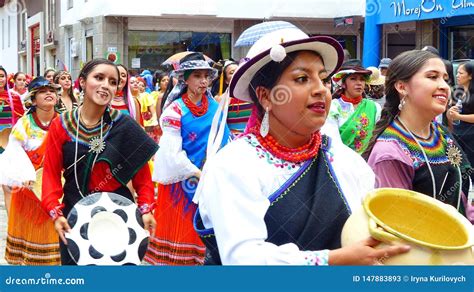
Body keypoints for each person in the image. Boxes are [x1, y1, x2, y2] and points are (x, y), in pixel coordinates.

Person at [193, 28, 410, 265]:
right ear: (266, 97)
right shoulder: (234, 165)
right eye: (302, 79)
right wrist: (333, 260)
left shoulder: (346, 161)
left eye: (324, 79)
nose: (321, 90)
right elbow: (243, 259)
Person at [41, 59, 158, 265]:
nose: (106, 85)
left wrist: (146, 208)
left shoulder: (124, 125)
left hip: (118, 217)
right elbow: (50, 174)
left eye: (113, 82)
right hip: (74, 217)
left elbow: (142, 176)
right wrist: (55, 213)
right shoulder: (61, 124)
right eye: (99, 78)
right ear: (83, 82)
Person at [365, 50, 472, 221]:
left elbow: (461, 197)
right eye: (432, 77)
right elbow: (398, 226)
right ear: (402, 86)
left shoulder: (440, 133)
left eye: (445, 79)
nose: (444, 86)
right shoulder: (390, 153)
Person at [146, 52, 231, 265]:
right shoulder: (174, 111)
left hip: (210, 180)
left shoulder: (216, 107)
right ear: (185, 79)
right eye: (197, 76)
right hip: (182, 182)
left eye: (207, 76)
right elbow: (171, 153)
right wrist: (196, 172)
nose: (203, 81)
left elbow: (225, 139)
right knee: (182, 234)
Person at [0, 77, 60, 265]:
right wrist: (27, 176)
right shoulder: (24, 125)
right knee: (31, 231)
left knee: (54, 232)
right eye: (43, 91)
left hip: (57, 187)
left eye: (52, 90)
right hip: (30, 187)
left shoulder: (65, 122)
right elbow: (14, 152)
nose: (49, 93)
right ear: (33, 100)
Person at [326, 64, 381, 154]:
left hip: (367, 162)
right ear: (343, 84)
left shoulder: (374, 108)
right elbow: (332, 140)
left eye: (362, 79)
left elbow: (378, 138)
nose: (359, 83)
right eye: (353, 79)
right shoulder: (333, 107)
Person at [0, 66, 25, 215]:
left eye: (2, 76)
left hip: (7, 145)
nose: (0, 79)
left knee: (8, 185)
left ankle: (12, 223)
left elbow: (22, 120)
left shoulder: (14, 97)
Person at [448, 61, 474, 200]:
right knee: (459, 170)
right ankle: (462, 202)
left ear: (470, 76)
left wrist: (459, 116)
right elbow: (449, 115)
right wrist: (450, 113)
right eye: (457, 72)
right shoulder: (457, 92)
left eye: (461, 73)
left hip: (471, 136)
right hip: (457, 135)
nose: (457, 75)